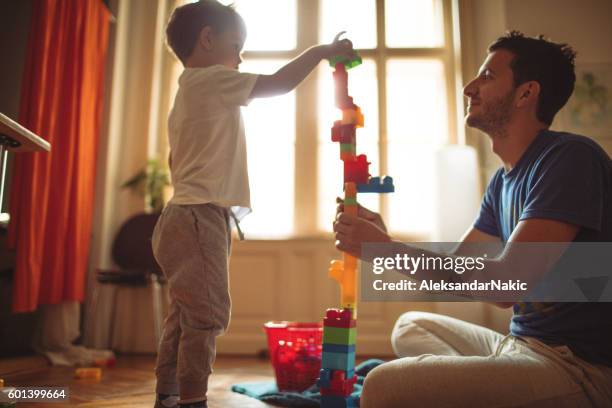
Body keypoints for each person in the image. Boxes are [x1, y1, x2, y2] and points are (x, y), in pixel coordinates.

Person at [334, 31, 612, 407]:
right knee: (411, 326)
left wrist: (385, 250)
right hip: (519, 346)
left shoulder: (569, 159)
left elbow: (503, 287)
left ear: (526, 93)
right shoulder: (502, 182)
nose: (469, 88)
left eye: (487, 76)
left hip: (578, 367)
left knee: (382, 386)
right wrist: (386, 240)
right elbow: (460, 272)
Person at [151, 1, 355, 407]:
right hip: (198, 217)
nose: (239, 56)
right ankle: (192, 399)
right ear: (207, 39)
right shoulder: (210, 79)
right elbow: (278, 84)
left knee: (185, 316)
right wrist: (320, 52)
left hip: (182, 216)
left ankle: (169, 395)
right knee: (208, 316)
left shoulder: (187, 91)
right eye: (236, 45)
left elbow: (177, 161)